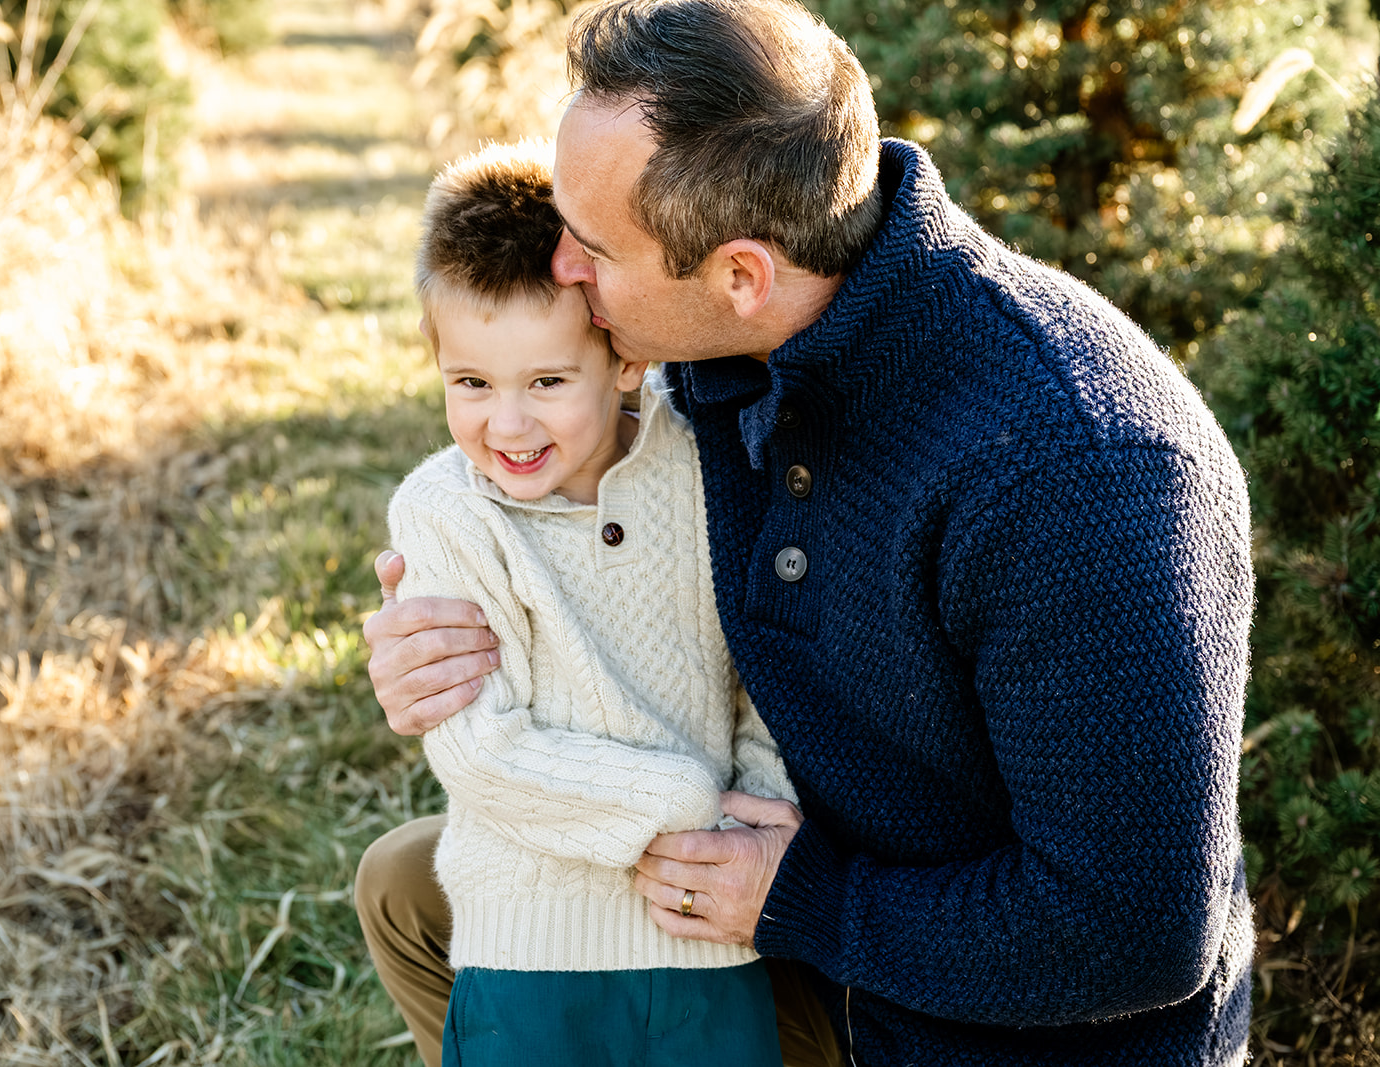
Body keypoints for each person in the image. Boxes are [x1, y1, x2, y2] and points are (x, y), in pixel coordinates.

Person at [358, 0, 1255, 1064]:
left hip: (989, 1029)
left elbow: (1135, 933)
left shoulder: (1076, 470)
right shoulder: (711, 354)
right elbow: (580, 515)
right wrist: (446, 630)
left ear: (741, 273)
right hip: (808, 918)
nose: (560, 269)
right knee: (416, 888)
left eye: (592, 246)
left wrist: (806, 903)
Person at [376, 137, 798, 1067]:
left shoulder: (705, 471)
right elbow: (485, 749)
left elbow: (763, 670)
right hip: (532, 954)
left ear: (622, 363)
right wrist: (689, 803)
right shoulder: (444, 513)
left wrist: (754, 813)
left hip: (706, 941)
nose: (508, 423)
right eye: (472, 384)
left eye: (547, 382)